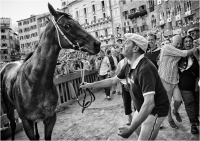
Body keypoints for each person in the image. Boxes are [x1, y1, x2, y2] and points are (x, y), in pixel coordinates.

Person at [81, 33, 169, 140]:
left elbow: (149, 103)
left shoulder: (145, 68)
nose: (122, 45)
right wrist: (90, 85)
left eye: (126, 43)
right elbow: (113, 80)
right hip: (141, 108)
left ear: (135, 48)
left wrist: (130, 129)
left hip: (155, 111)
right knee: (138, 130)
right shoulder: (129, 64)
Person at [158, 35, 195, 129]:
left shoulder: (177, 48)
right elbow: (184, 53)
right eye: (177, 43)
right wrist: (196, 48)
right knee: (167, 102)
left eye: (180, 43)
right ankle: (170, 119)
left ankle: (175, 111)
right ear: (171, 41)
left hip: (175, 79)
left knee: (178, 100)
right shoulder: (167, 47)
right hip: (164, 79)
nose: (178, 45)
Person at [178, 35, 199, 134]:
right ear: (183, 44)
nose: (188, 43)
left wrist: (197, 56)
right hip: (184, 83)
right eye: (186, 42)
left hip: (197, 82)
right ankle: (193, 124)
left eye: (190, 41)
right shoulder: (179, 55)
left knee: (197, 102)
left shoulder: (197, 52)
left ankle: (195, 117)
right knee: (189, 103)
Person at [115, 57, 133, 125]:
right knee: (126, 101)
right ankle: (129, 117)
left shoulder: (134, 61)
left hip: (133, 84)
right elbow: (117, 73)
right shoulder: (121, 62)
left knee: (137, 101)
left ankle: (138, 118)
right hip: (124, 84)